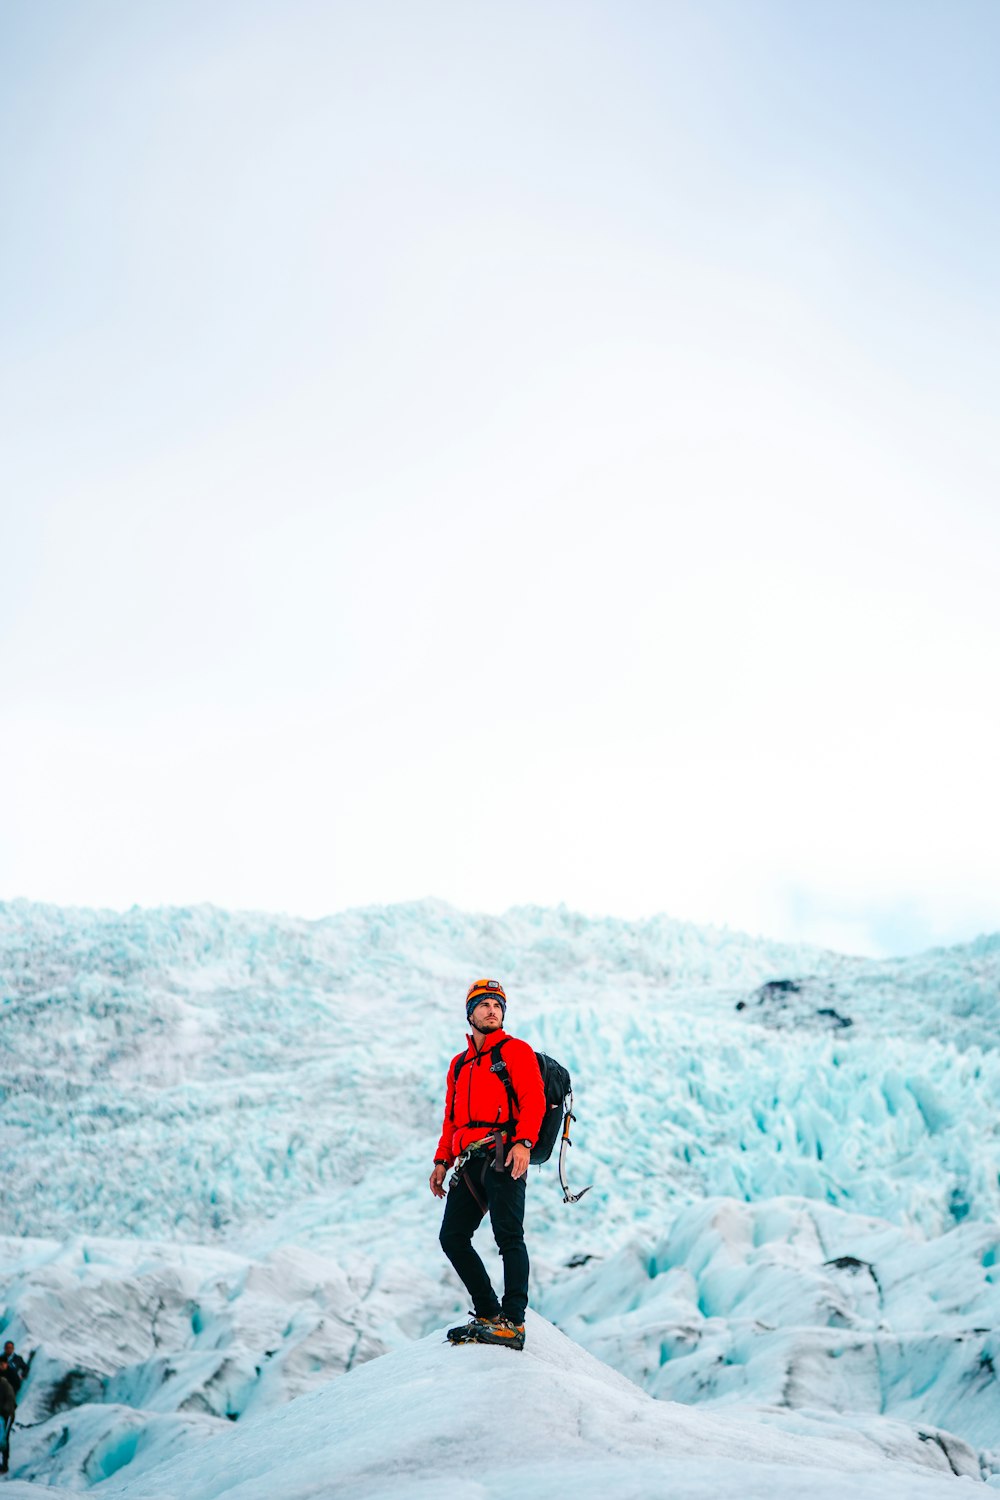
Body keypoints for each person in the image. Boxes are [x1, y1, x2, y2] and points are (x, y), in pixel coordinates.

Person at [430, 978, 545, 1351]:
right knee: (453, 1237)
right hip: (469, 1158)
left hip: (505, 1151)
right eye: (484, 1004)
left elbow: (534, 1100)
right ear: (470, 1014)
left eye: (497, 1005)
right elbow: (451, 1119)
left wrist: (525, 1142)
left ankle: (514, 1323)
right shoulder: (459, 1065)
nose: (492, 1010)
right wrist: (441, 1161)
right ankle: (488, 1314)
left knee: (508, 1235)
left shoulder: (515, 1051)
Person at [0, 1360, 15, 1474]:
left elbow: (10, 1401)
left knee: (3, 1439)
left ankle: (5, 1465)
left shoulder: (4, 1384)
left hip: (5, 1416)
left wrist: (4, 1412)